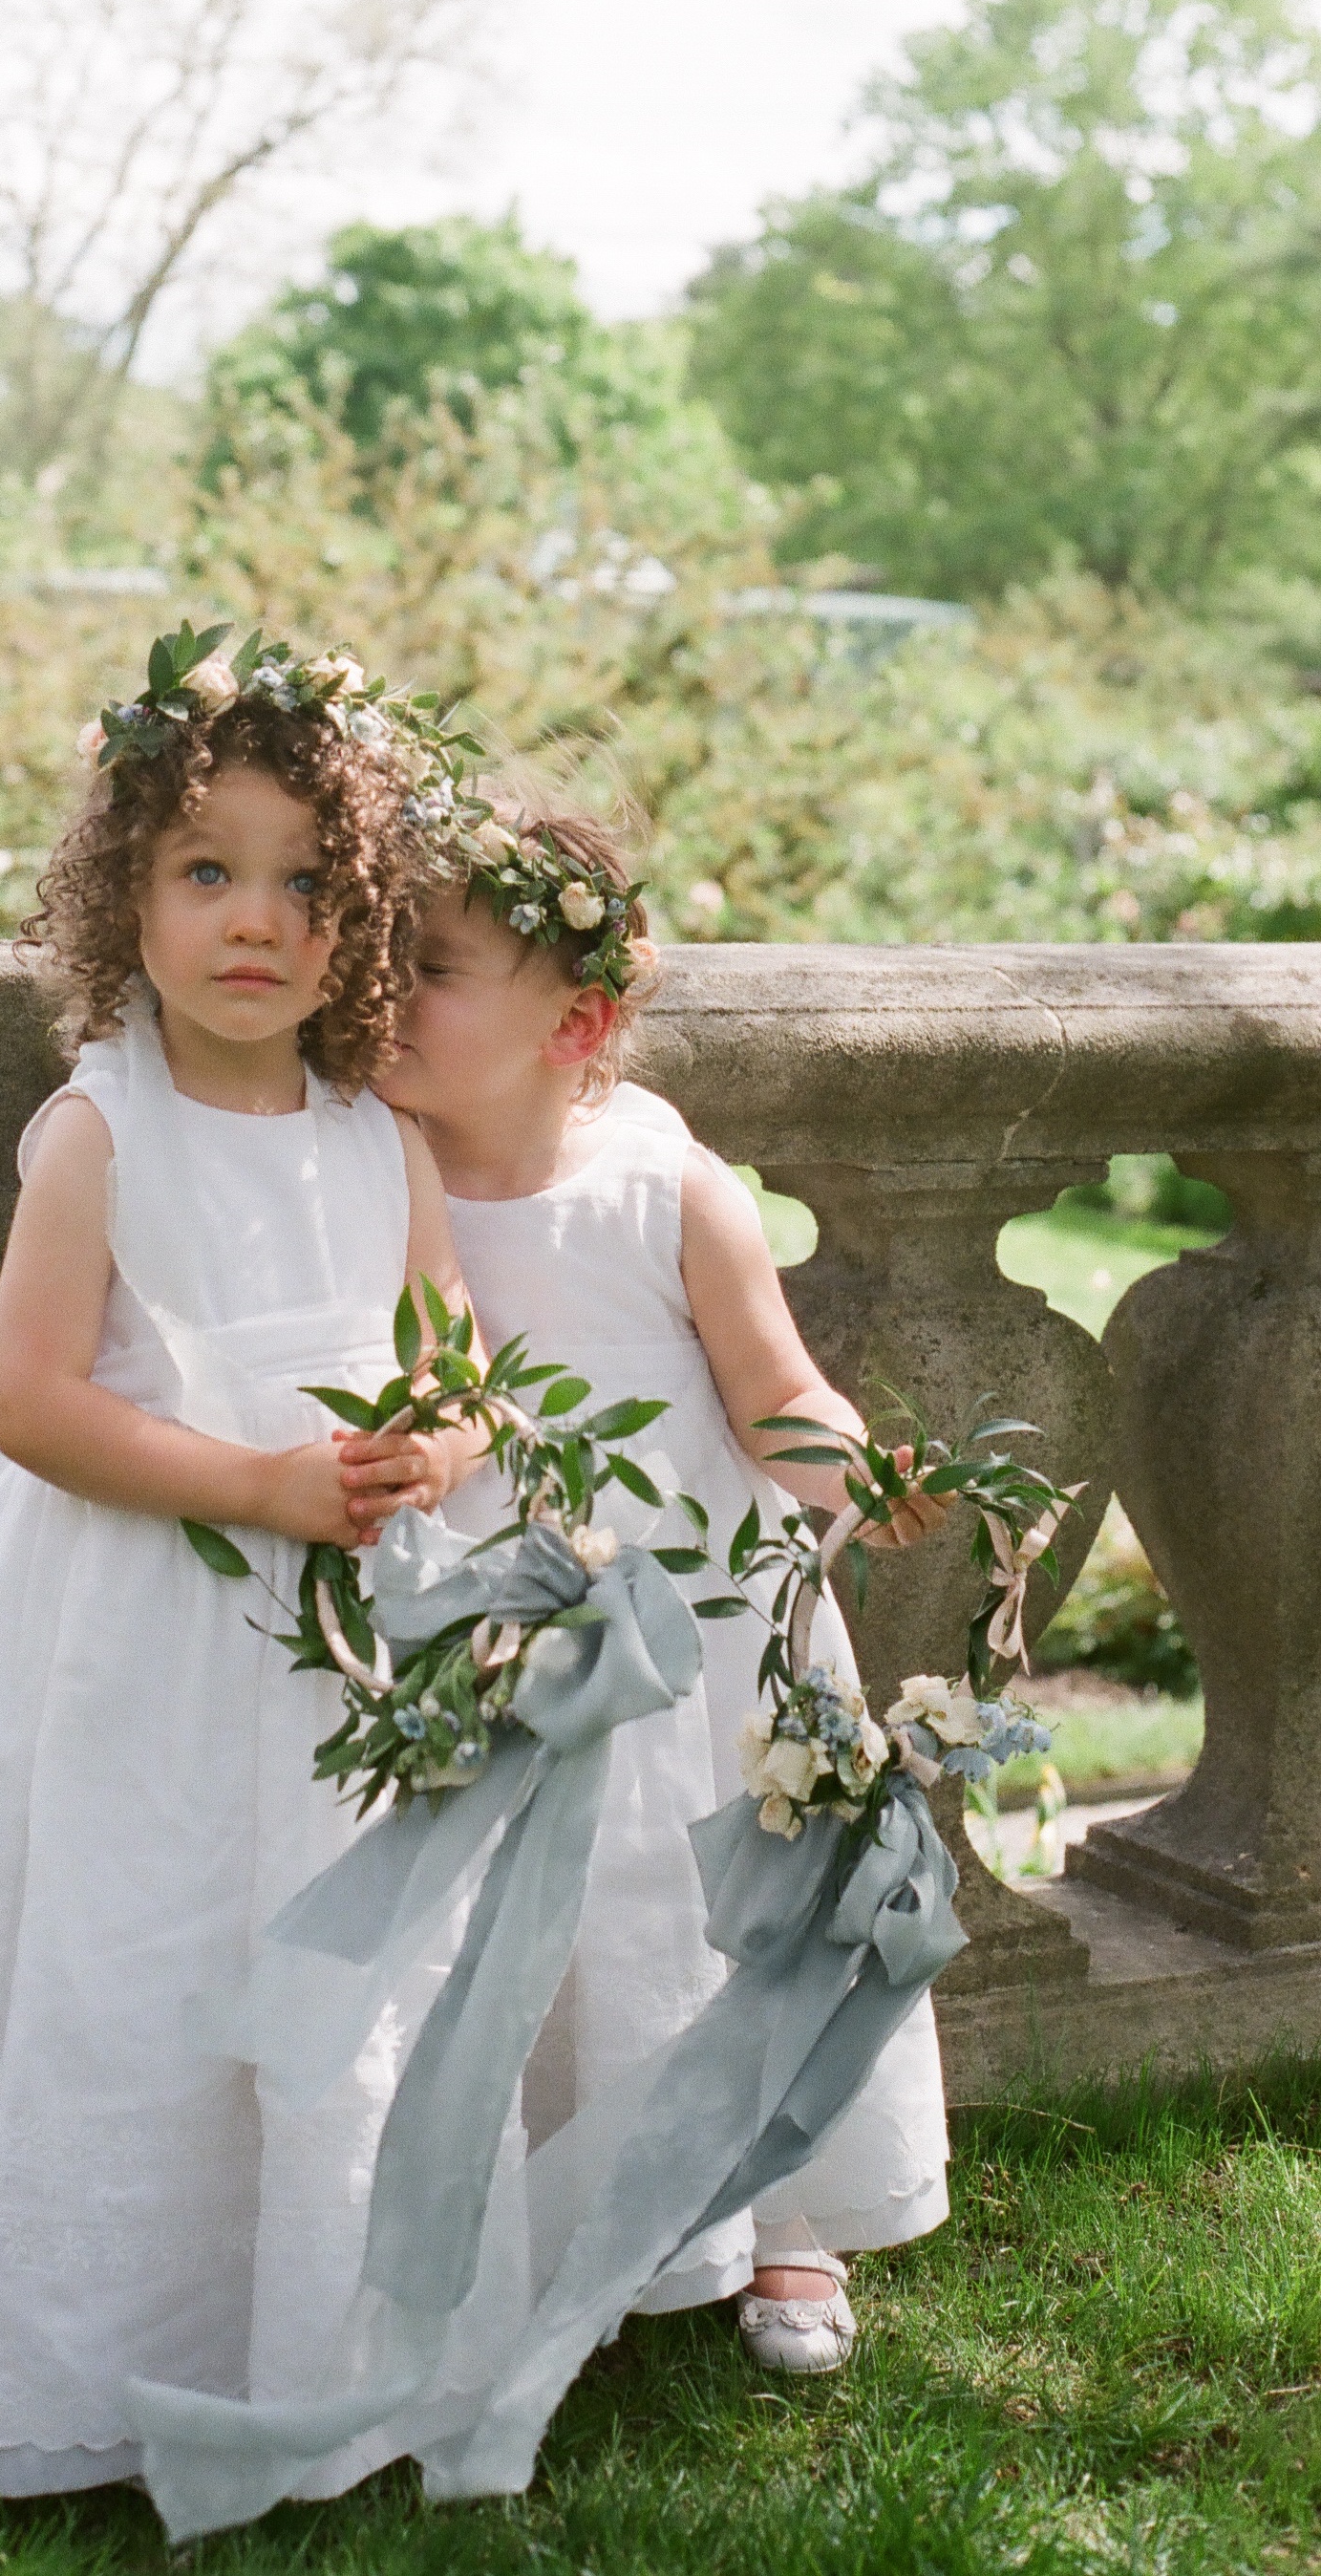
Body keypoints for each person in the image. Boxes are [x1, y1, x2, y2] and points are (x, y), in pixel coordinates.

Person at [0, 633, 489, 2495]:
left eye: (304, 880)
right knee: (128, 1968)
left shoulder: (377, 1138)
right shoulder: (101, 1130)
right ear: (125, 898)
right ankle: (79, 2360)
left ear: (356, 920)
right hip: (129, 1633)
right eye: (207, 870)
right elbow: (31, 1401)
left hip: (340, 1640)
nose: (254, 918)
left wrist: (441, 1438)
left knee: (322, 1974)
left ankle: (311, 2339)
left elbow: (456, 1353)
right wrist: (257, 1483)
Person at [349, 802, 954, 2375]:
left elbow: (776, 1390)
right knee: (531, 1923)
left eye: (434, 967)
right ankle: (536, 2210)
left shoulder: (660, 1178)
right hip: (504, 1614)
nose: (386, 993)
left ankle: (787, 2212)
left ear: (582, 1018)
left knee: (737, 1916)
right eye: (380, 957)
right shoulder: (363, 1162)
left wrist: (860, 1476)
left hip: (707, 1631)